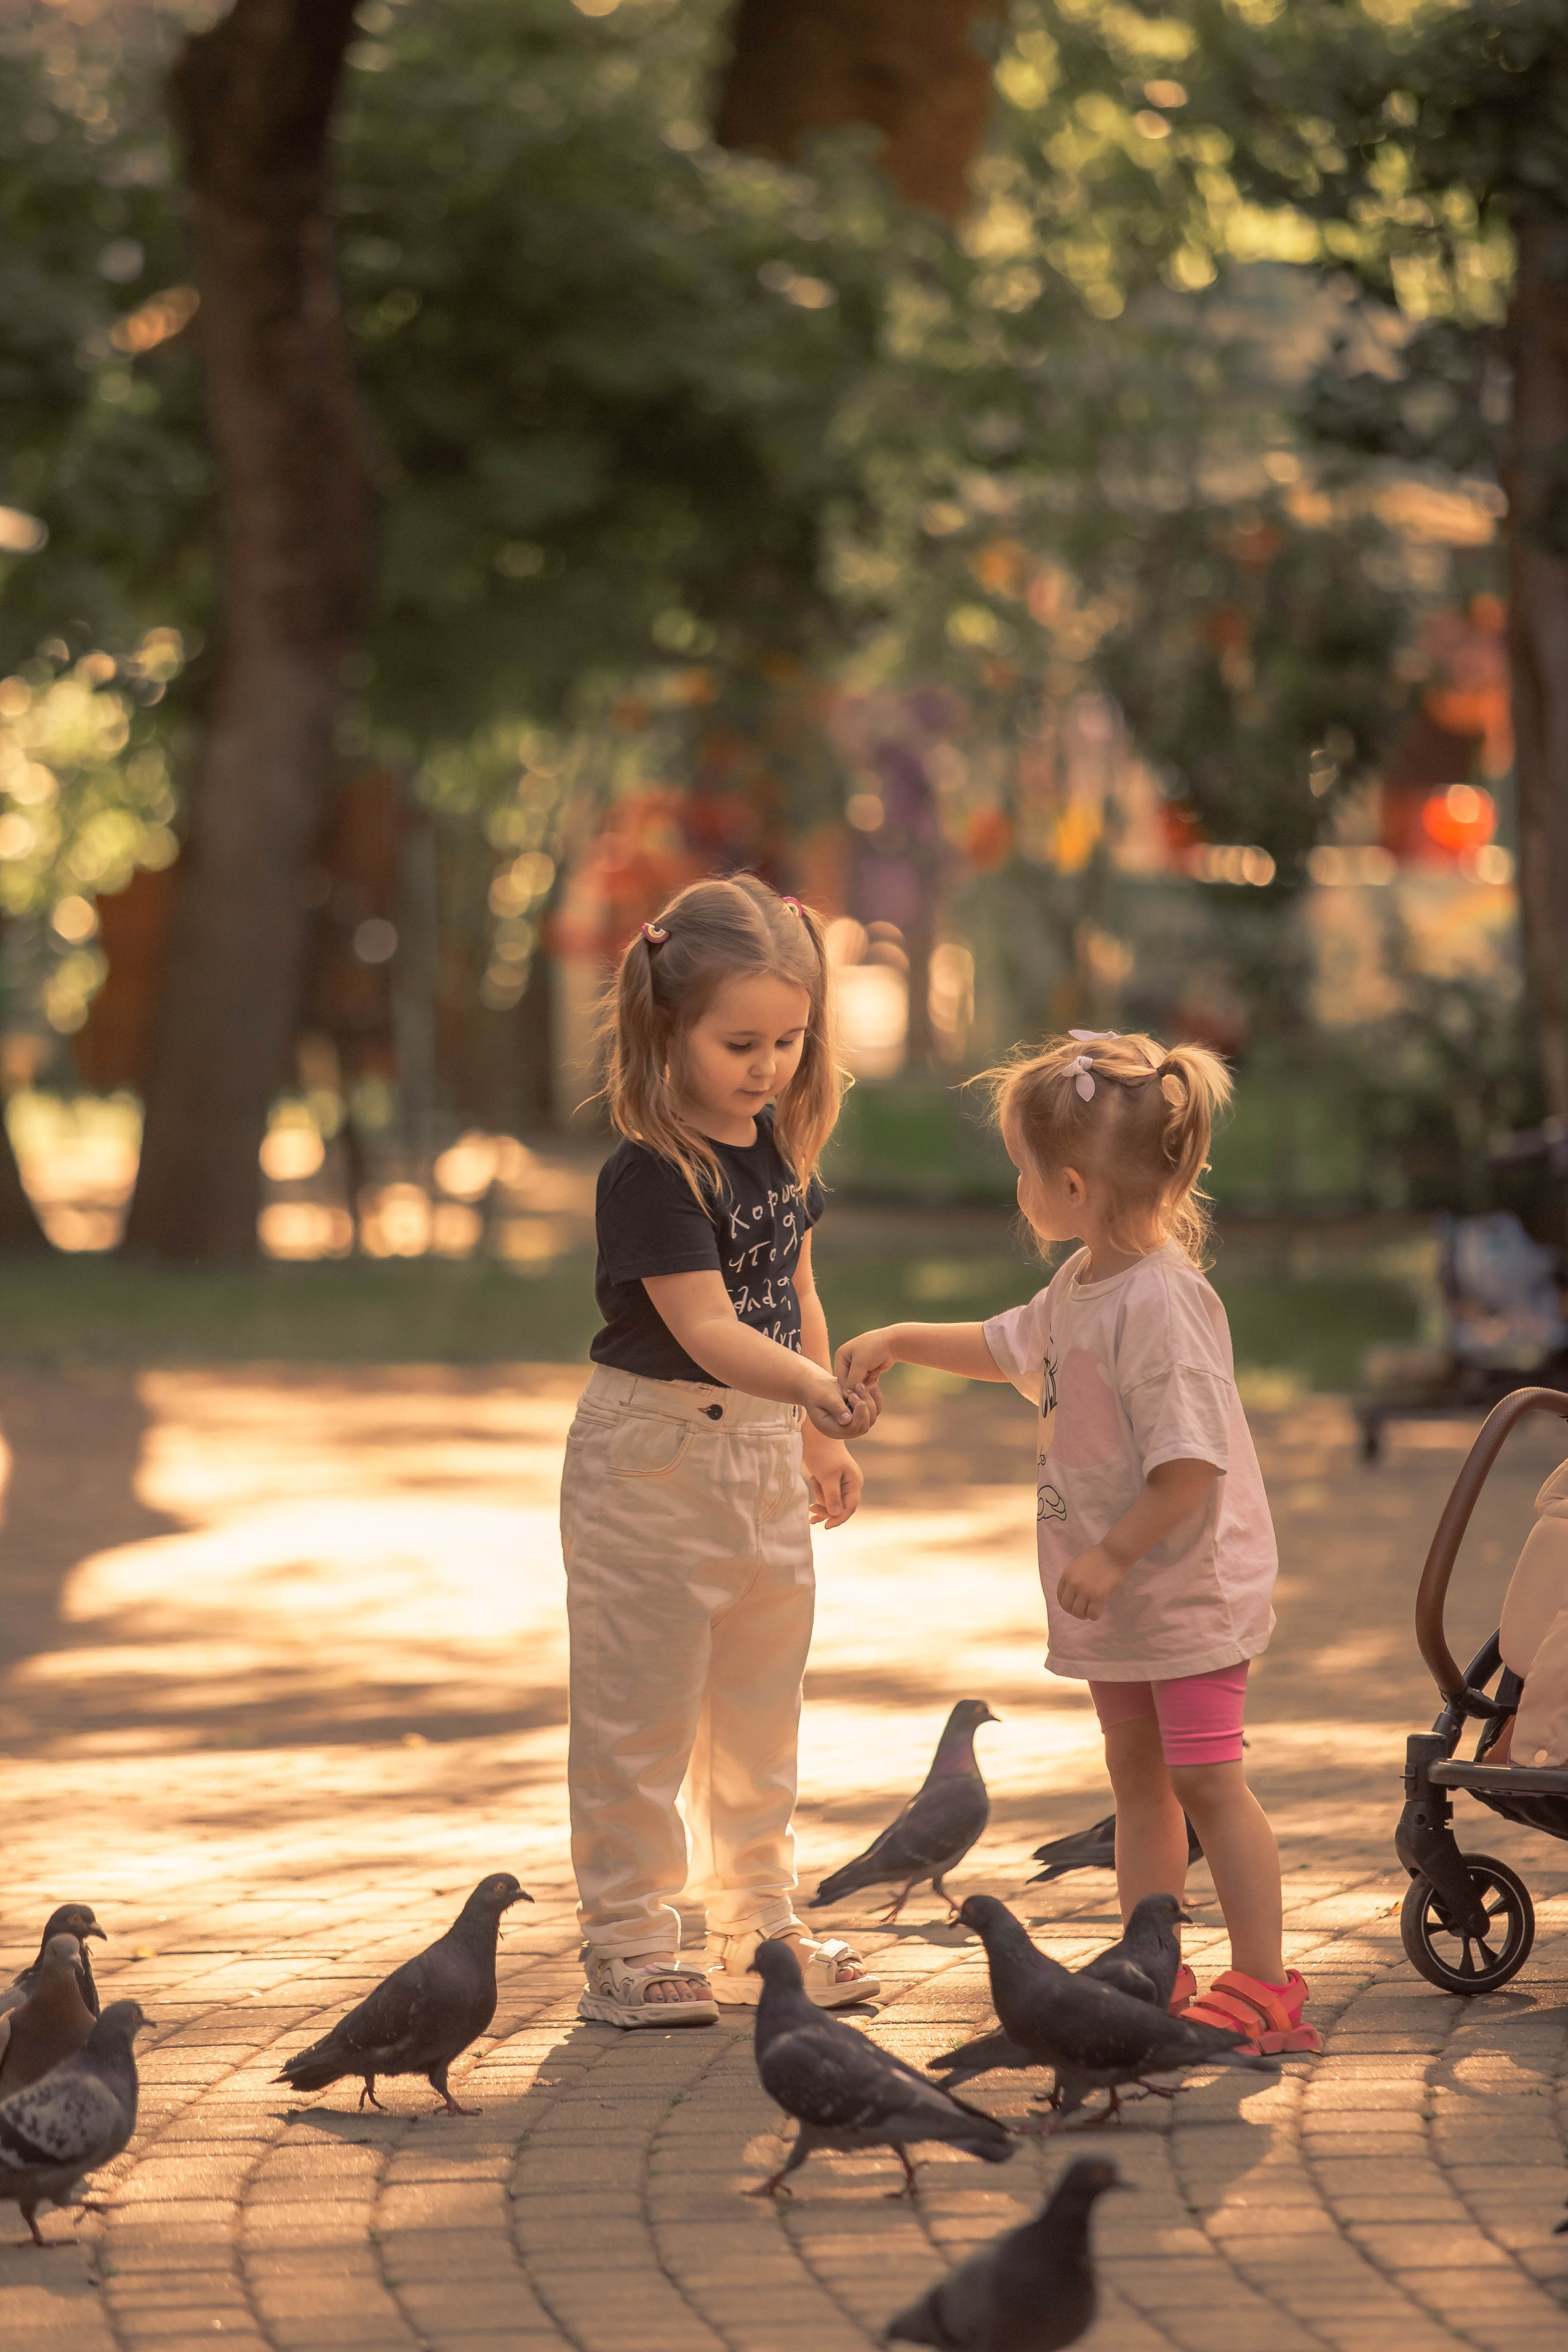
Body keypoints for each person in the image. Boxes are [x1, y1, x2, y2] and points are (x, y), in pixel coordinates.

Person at [835, 1030, 1319, 2056]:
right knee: (1137, 1786)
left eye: (1020, 1173)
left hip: (1185, 1593)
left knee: (1208, 1787)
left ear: (1067, 1183)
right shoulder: (1082, 1286)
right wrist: (901, 1342)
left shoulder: (1163, 1304)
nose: (1017, 1191)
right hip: (1125, 1601)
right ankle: (1152, 1969)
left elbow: (1192, 1465)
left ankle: (1267, 1984)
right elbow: (1005, 1344)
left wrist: (1113, 1556)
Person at [562, 873, 881, 2028]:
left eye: (790, 1042)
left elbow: (794, 1289)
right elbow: (705, 1326)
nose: (768, 1066)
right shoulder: (650, 1170)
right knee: (639, 1718)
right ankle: (632, 1945)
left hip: (756, 1453)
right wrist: (813, 1390)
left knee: (760, 1713)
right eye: (740, 1042)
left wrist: (811, 1426)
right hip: (651, 1463)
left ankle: (762, 1928)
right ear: (668, 1030)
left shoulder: (776, 1151)